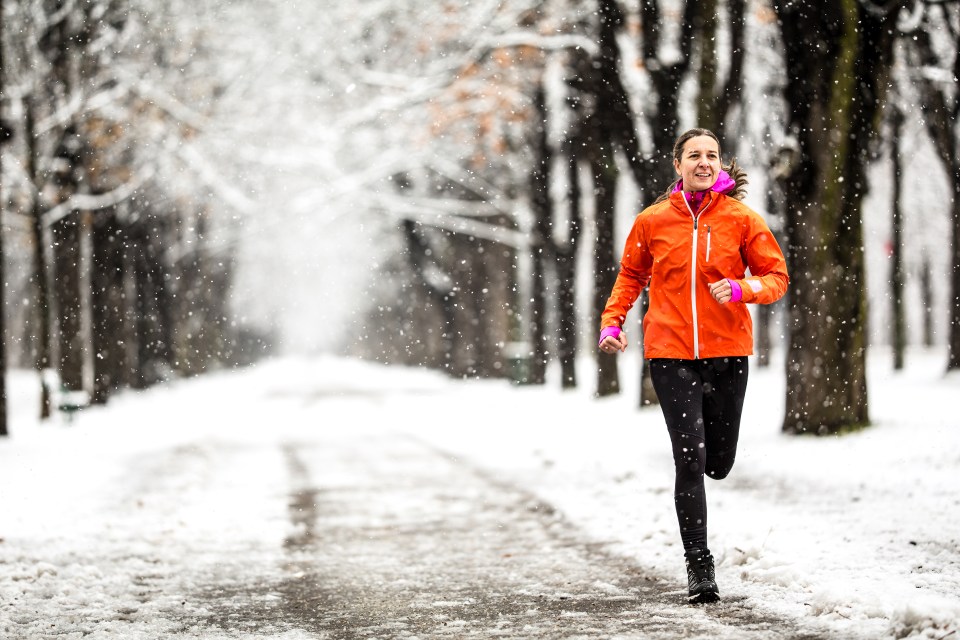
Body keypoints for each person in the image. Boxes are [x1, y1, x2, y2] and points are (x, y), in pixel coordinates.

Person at [598, 128, 788, 604]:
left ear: (721, 164)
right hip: (671, 354)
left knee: (718, 464)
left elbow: (777, 277)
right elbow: (631, 275)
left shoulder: (742, 220)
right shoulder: (653, 221)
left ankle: (712, 467)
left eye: (712, 155)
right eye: (694, 155)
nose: (704, 162)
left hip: (728, 354)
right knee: (690, 458)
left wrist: (744, 289)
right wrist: (612, 323)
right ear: (677, 165)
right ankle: (699, 564)